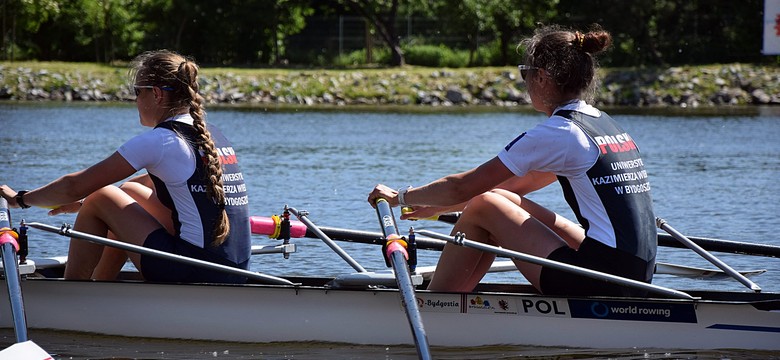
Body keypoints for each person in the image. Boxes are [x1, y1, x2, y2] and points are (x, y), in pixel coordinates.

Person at [367, 25, 656, 297]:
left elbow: (463, 186)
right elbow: (518, 185)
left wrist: (400, 196)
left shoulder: (561, 132)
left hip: (603, 281)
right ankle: (451, 300)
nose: (526, 82)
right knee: (500, 198)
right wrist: (434, 206)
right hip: (636, 272)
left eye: (525, 73)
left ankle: (437, 306)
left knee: (485, 205)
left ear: (541, 77)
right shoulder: (603, 125)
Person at [0, 50, 251, 283]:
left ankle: (73, 296)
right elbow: (151, 184)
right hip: (234, 268)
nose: (135, 100)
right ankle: (102, 283)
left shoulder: (161, 140)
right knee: (128, 191)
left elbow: (74, 185)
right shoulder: (211, 134)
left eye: (137, 92)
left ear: (157, 94)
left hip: (197, 272)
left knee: (101, 197)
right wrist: (81, 203)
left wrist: (20, 199)